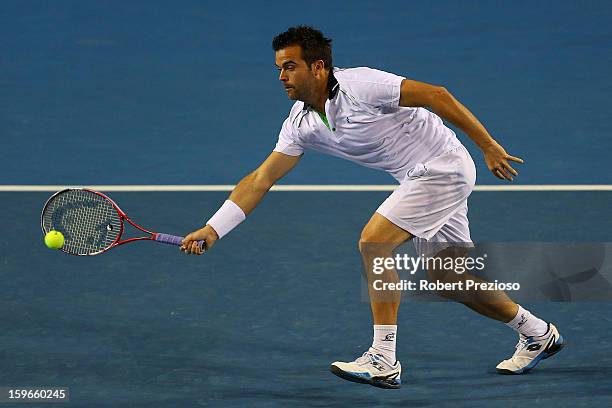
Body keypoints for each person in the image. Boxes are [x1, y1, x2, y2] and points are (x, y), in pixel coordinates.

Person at [180, 26, 564, 389]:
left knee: (374, 242)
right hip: (416, 178)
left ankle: (383, 358)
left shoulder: (362, 85)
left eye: (290, 66)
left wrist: (488, 146)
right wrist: (214, 228)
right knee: (449, 281)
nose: (281, 76)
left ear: (318, 66)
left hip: (442, 168)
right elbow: (261, 178)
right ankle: (538, 334)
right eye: (279, 67)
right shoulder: (300, 123)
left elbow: (437, 95)